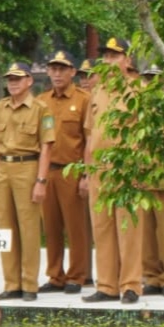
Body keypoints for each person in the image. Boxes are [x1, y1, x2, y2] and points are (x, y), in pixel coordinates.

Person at [82, 37, 147, 304]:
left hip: (127, 167)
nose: (109, 61)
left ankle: (131, 284)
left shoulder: (139, 90)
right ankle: (106, 285)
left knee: (128, 226)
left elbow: (146, 134)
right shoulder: (97, 92)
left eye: (115, 56)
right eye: (106, 56)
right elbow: (90, 134)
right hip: (99, 169)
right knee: (102, 226)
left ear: (128, 60)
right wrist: (86, 172)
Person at [0, 61, 54, 300]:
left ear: (29, 81)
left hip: (28, 167)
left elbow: (46, 147)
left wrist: (41, 181)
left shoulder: (40, 108)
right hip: (4, 168)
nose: (12, 83)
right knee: (5, 228)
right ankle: (11, 283)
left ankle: (29, 284)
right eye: (9, 79)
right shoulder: (0, 107)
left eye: (17, 78)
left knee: (29, 228)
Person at [39, 49, 93, 294]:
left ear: (73, 72)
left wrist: (86, 174)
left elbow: (88, 139)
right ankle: (55, 275)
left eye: (63, 69)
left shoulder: (83, 100)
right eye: (53, 68)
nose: (57, 73)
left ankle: (77, 275)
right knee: (50, 227)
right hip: (47, 171)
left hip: (72, 170)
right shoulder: (42, 101)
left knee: (76, 227)